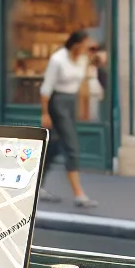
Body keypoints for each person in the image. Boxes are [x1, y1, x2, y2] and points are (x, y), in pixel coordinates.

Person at [38, 29, 101, 208]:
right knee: (71, 146)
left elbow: (80, 82)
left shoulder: (82, 59)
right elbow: (45, 89)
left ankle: (36, 186)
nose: (88, 48)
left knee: (54, 147)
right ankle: (79, 195)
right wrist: (45, 113)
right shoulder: (58, 59)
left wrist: (82, 107)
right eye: (86, 45)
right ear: (76, 45)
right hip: (56, 102)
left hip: (70, 102)